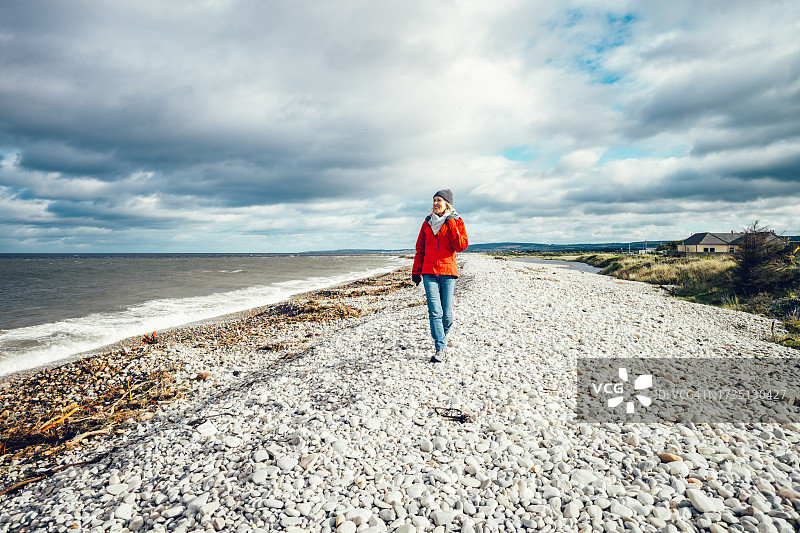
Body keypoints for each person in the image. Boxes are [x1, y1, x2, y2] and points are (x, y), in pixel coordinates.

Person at [412, 189, 469, 363]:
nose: (436, 203)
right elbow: (420, 249)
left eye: (439, 200)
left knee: (447, 315)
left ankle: (441, 337)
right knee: (435, 311)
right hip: (428, 271)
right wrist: (416, 271)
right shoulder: (427, 223)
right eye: (434, 200)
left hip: (448, 272)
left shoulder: (457, 221)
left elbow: (461, 246)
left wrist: (451, 224)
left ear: (447, 204)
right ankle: (440, 347)